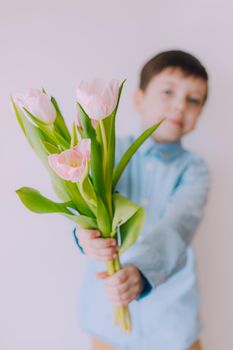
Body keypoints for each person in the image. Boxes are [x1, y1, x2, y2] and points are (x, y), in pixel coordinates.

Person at [73, 50, 210, 350]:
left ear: (199, 114)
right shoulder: (107, 152)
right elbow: (84, 205)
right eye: (168, 92)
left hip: (173, 322)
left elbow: (178, 225)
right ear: (138, 99)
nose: (179, 105)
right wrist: (83, 235)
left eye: (193, 99)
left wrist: (141, 272)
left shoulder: (195, 171)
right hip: (107, 319)